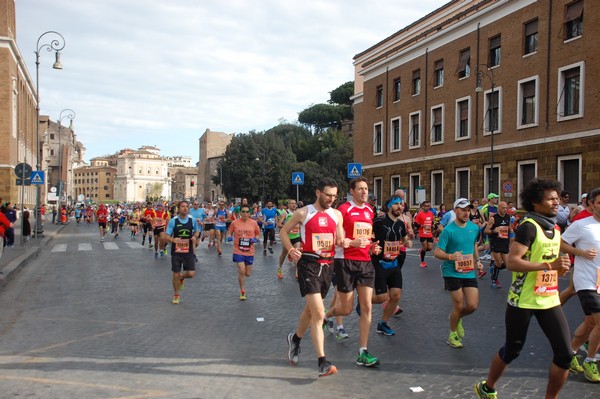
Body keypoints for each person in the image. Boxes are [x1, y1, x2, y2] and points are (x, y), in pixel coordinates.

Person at [474, 178, 572, 399]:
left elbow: (548, 260)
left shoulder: (555, 228)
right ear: (535, 202)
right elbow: (512, 262)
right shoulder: (528, 228)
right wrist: (549, 265)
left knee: (565, 355)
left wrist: (558, 269)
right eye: (551, 199)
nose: (556, 202)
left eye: (557, 198)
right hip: (523, 300)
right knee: (513, 350)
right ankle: (488, 386)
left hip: (548, 299)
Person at [282, 178, 344, 378]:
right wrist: (291, 250)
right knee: (318, 313)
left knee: (310, 311)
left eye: (334, 196)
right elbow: (283, 231)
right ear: (318, 193)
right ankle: (322, 362)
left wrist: (361, 244)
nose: (331, 199)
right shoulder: (304, 213)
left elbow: (340, 239)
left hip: (328, 266)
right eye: (328, 195)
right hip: (308, 264)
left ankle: (295, 339)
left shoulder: (337, 215)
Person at [324, 177, 382, 368]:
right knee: (346, 309)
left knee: (367, 307)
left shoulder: (369, 210)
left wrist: (372, 247)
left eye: (366, 189)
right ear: (352, 191)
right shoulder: (343, 210)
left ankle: (362, 352)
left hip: (365, 262)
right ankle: (326, 316)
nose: (365, 192)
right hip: (345, 261)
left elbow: (365, 237)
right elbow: (335, 237)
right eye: (361, 189)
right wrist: (351, 242)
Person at [560, 187, 600, 382]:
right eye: (599, 202)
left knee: (590, 322)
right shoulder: (582, 224)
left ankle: (570, 352)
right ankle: (590, 361)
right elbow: (561, 243)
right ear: (591, 204)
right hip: (586, 280)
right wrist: (581, 253)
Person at [434, 198, 484, 348]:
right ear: (455, 211)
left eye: (468, 210)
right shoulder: (448, 230)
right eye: (463, 210)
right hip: (451, 271)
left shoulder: (474, 228)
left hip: (468, 271)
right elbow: (437, 252)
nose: (466, 213)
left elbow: (473, 245)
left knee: (473, 305)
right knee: (459, 305)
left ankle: (456, 318)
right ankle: (452, 334)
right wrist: (450, 256)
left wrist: (478, 261)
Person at [371, 195, 410, 336]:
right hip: (379, 263)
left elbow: (404, 238)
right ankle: (364, 301)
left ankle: (383, 323)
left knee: (396, 295)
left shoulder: (400, 223)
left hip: (394, 262)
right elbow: (368, 236)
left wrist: (407, 242)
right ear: (389, 206)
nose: (399, 206)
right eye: (396, 204)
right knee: (381, 297)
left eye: (401, 204)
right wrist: (371, 245)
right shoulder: (378, 221)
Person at [160, 200, 200, 305]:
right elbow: (166, 235)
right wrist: (173, 240)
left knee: (191, 273)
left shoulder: (192, 220)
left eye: (187, 206)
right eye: (183, 206)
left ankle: (182, 278)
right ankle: (176, 294)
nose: (185, 208)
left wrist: (194, 236)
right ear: (178, 208)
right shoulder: (174, 221)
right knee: (175, 274)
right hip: (176, 251)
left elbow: (197, 231)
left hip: (188, 251)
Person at [226, 203, 261, 300]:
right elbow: (229, 232)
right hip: (238, 250)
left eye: (247, 212)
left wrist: (255, 239)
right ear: (240, 213)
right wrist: (229, 237)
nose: (245, 213)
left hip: (249, 251)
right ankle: (242, 291)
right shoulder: (235, 223)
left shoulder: (253, 223)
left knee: (248, 274)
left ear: (249, 213)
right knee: (241, 270)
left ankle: (242, 274)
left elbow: (258, 234)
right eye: (243, 212)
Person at [484, 201, 513, 289]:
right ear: (498, 208)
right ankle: (494, 280)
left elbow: (510, 228)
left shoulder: (508, 217)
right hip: (496, 243)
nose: (505, 210)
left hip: (505, 243)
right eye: (503, 208)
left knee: (508, 265)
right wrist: (494, 231)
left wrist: (512, 233)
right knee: (499, 262)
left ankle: (494, 269)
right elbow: (486, 230)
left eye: (506, 208)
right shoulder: (493, 218)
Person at [277, 199, 301, 279]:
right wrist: (287, 228)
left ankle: (298, 272)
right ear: (288, 205)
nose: (294, 205)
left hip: (296, 236)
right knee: (283, 254)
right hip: (287, 237)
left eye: (295, 203)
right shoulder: (285, 213)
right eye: (292, 204)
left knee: (297, 253)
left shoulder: (298, 213)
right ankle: (280, 268)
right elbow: (279, 224)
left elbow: (301, 223)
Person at [413, 200, 435, 267]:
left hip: (429, 233)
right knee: (425, 247)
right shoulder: (419, 214)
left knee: (430, 248)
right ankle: (422, 262)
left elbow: (432, 222)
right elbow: (415, 224)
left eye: (428, 206)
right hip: (422, 233)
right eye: (426, 206)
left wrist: (433, 225)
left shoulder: (431, 213)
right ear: (422, 207)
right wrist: (422, 226)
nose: (427, 207)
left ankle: (421, 251)